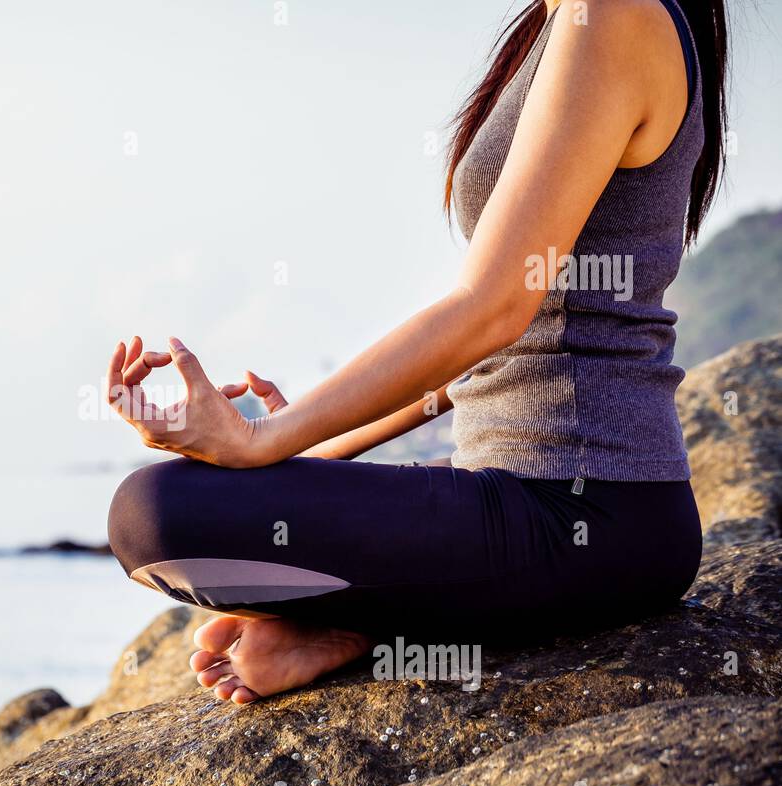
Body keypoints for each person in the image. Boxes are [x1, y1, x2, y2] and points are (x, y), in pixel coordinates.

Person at [104, 0, 727, 705]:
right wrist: (298, 449)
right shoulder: (554, 25)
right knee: (178, 504)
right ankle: (357, 622)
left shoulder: (612, 15)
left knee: (149, 512)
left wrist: (262, 438)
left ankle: (359, 614)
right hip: (522, 493)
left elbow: (491, 310)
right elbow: (479, 354)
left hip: (596, 512)